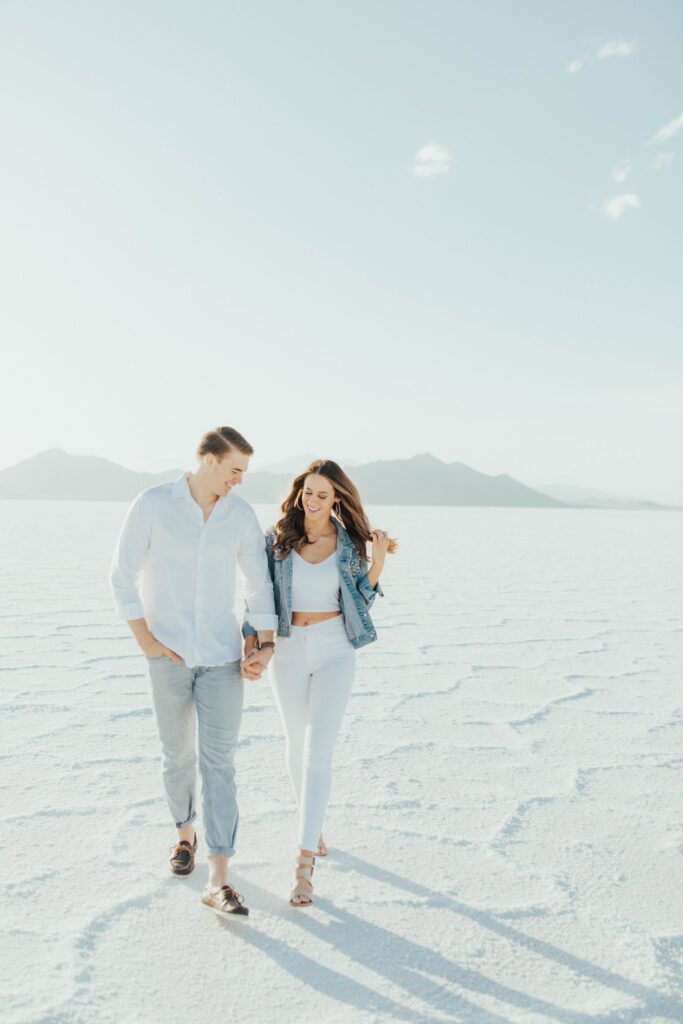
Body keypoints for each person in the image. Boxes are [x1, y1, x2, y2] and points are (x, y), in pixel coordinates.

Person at [110, 426, 277, 918]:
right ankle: (184, 835)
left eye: (243, 473)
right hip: (169, 656)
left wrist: (263, 644)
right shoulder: (154, 503)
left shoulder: (239, 515)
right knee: (176, 755)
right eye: (234, 470)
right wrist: (146, 641)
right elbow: (121, 574)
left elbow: (259, 584)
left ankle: (219, 876)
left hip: (223, 657)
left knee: (219, 763)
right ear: (208, 460)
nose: (239, 481)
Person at [243, 459, 396, 906]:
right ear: (299, 493)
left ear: (337, 500)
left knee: (319, 747)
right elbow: (259, 594)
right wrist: (252, 639)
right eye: (307, 492)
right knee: (294, 743)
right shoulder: (277, 540)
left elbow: (361, 601)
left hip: (334, 648)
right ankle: (314, 825)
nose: (312, 501)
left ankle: (304, 861)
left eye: (322, 495)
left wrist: (379, 562)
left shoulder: (348, 543)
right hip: (288, 648)